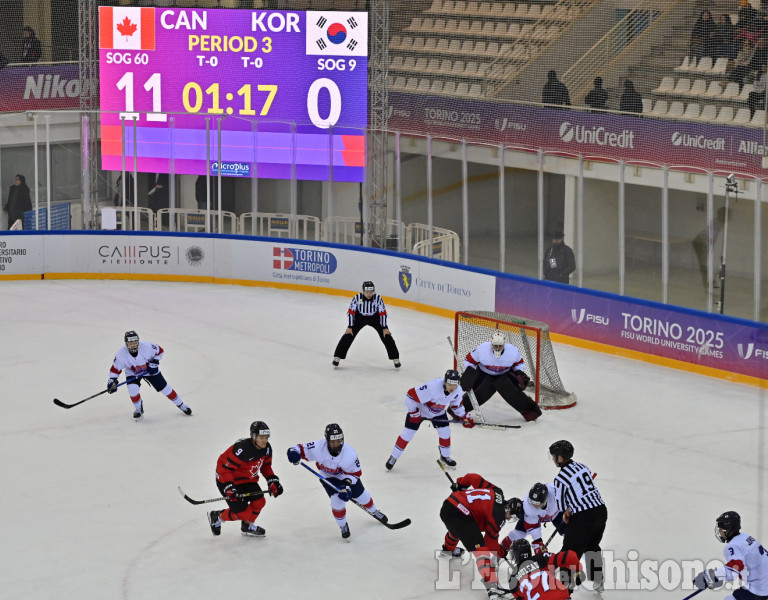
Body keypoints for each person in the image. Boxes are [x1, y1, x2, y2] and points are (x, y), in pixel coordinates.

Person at [287, 423, 387, 540]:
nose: (336, 444)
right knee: (336, 501)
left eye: (338, 440)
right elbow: (297, 448)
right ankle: (343, 525)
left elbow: (355, 473)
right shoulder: (318, 447)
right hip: (328, 477)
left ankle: (374, 511)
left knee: (362, 496)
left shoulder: (349, 454)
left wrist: (346, 486)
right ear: (327, 440)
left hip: (346, 476)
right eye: (333, 441)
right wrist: (293, 453)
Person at [439, 472, 517, 600]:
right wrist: (501, 551)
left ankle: (448, 550)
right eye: (511, 517)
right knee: (481, 550)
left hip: (448, 505)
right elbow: (490, 543)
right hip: (460, 514)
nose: (508, 520)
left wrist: (461, 485)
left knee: (460, 531)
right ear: (509, 510)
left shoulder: (497, 491)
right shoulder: (499, 517)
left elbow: (472, 477)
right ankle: (493, 588)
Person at [384, 369, 474, 472]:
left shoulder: (457, 391)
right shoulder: (432, 387)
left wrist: (464, 417)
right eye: (450, 384)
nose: (452, 388)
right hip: (420, 411)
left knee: (445, 433)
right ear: (445, 382)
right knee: (407, 434)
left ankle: (445, 456)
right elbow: (410, 396)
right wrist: (414, 413)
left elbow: (456, 406)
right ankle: (394, 457)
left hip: (438, 412)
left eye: (455, 385)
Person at [207, 421, 284, 537]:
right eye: (261, 437)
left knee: (259, 502)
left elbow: (266, 466)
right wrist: (229, 487)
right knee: (244, 513)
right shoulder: (242, 449)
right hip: (227, 480)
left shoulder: (267, 449)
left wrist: (272, 480)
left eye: (266, 437)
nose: (264, 441)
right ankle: (217, 516)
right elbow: (224, 469)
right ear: (253, 437)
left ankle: (247, 526)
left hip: (247, 480)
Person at [549, 440, 607, 593]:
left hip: (583, 517)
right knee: (592, 546)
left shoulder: (560, 479)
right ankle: (598, 581)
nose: (553, 459)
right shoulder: (583, 467)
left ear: (560, 458)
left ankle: (564, 590)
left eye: (554, 456)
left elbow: (561, 506)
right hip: (601, 512)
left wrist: (567, 512)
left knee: (568, 553)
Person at [107, 330, 191, 420]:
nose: (133, 345)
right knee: (133, 390)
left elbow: (160, 351)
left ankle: (181, 405)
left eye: (135, 342)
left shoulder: (146, 347)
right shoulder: (121, 354)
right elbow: (115, 369)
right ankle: (138, 409)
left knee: (166, 389)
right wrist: (112, 380)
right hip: (133, 372)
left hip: (149, 371)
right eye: (130, 343)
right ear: (126, 343)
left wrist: (154, 363)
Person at [459, 332, 542, 422]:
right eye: (495, 345)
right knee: (477, 392)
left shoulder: (512, 351)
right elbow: (469, 360)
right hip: (484, 372)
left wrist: (518, 371)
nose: (497, 348)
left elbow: (519, 363)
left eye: (500, 346)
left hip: (505, 373)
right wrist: (469, 373)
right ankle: (457, 410)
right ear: (491, 344)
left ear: (504, 344)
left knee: (514, 393)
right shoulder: (482, 349)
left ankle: (531, 411)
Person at [693, 511, 768, 599]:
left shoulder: (733, 545)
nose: (719, 531)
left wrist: (711, 576)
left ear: (728, 530)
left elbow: (733, 570)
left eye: (721, 528)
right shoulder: (745, 537)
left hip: (761, 588)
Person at [332, 281, 401, 369]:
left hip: (375, 318)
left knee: (386, 335)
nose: (369, 294)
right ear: (363, 291)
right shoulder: (357, 298)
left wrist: (384, 327)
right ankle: (337, 357)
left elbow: (382, 313)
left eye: (371, 292)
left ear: (373, 291)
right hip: (359, 317)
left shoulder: (378, 299)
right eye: (367, 292)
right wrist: (350, 326)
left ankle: (395, 358)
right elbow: (351, 312)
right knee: (348, 334)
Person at [505, 539, 583, 600]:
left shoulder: (513, 579)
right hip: (562, 596)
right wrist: (576, 572)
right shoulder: (542, 558)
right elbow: (570, 556)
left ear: (515, 555)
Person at [501, 482, 565, 555]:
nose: (534, 506)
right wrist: (538, 543)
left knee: (571, 535)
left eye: (537, 504)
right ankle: (497, 555)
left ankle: (573, 557)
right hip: (534, 516)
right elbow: (534, 529)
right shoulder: (528, 506)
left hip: (557, 513)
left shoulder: (557, 492)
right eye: (532, 502)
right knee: (517, 534)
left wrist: (571, 510)